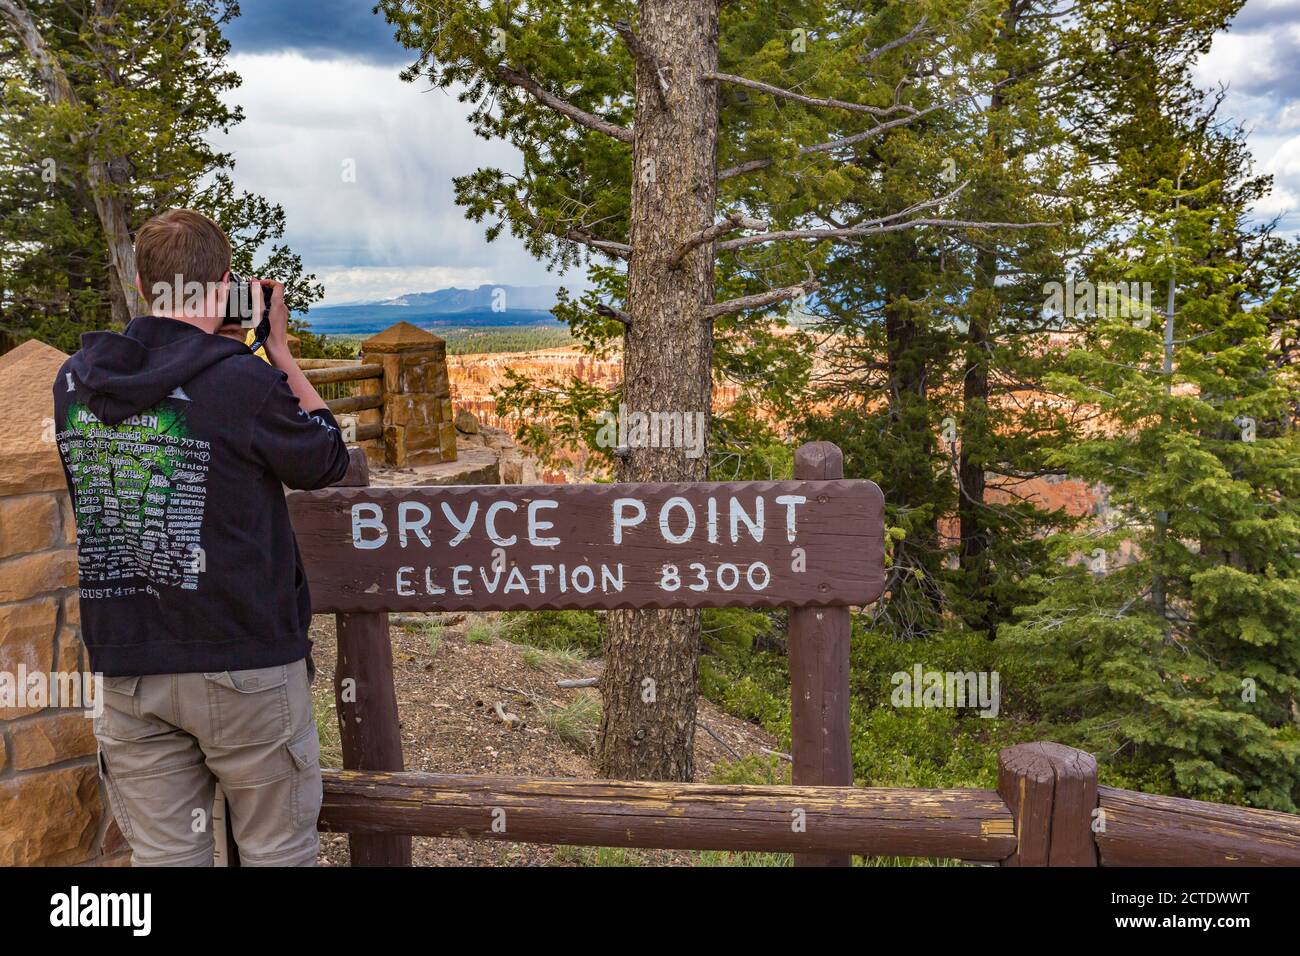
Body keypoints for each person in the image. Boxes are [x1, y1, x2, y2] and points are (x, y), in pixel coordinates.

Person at [53, 208, 350, 866]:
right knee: (277, 852)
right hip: (245, 662)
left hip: (130, 667)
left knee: (163, 861)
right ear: (223, 284)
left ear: (141, 283)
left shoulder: (74, 382)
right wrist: (279, 353)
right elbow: (327, 458)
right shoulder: (243, 383)